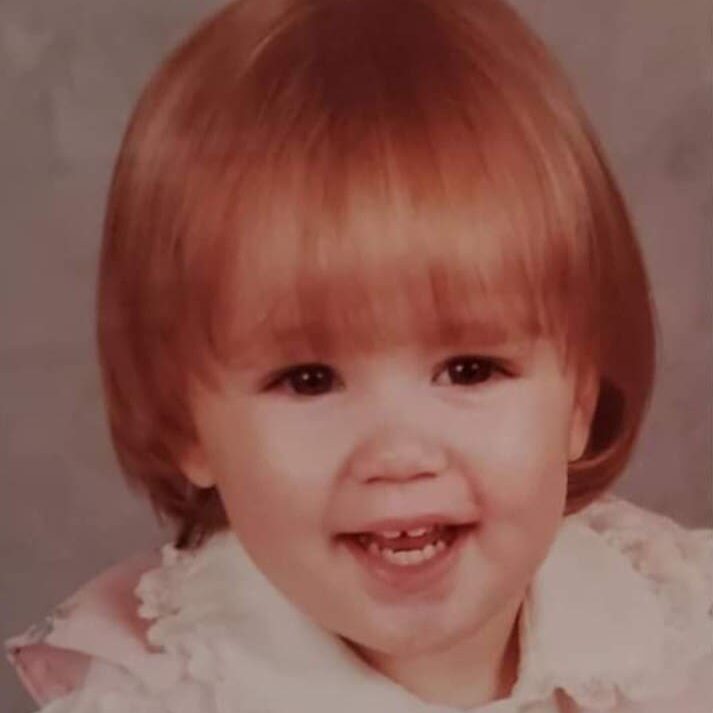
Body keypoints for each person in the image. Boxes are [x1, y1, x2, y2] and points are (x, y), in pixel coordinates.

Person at [6, 0, 712, 711]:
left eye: (469, 368)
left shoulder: (670, 624)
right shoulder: (164, 693)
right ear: (185, 424)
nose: (399, 453)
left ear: (579, 401)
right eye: (309, 380)